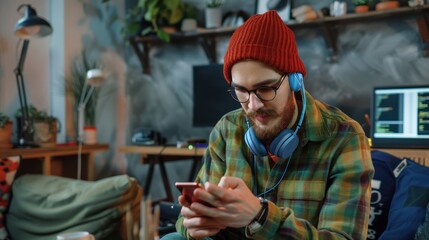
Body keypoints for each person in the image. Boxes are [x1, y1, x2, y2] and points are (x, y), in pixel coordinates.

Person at [162, 10, 374, 239]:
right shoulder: (227, 130)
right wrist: (192, 224)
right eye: (241, 91)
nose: (253, 105)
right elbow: (186, 218)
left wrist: (261, 217)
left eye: (265, 88)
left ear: (295, 80)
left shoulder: (344, 137)